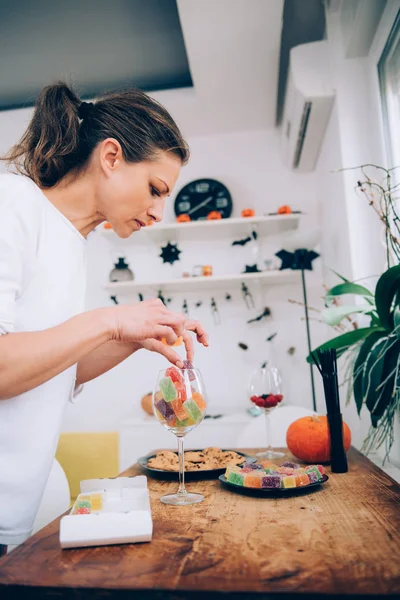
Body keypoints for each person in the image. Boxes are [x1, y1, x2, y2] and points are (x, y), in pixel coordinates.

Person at [0, 82, 208, 554]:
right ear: (111, 157)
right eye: (155, 190)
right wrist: (111, 321)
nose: (158, 212)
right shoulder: (12, 202)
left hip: (15, 521)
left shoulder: (73, 245)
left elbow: (53, 372)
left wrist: (135, 337)